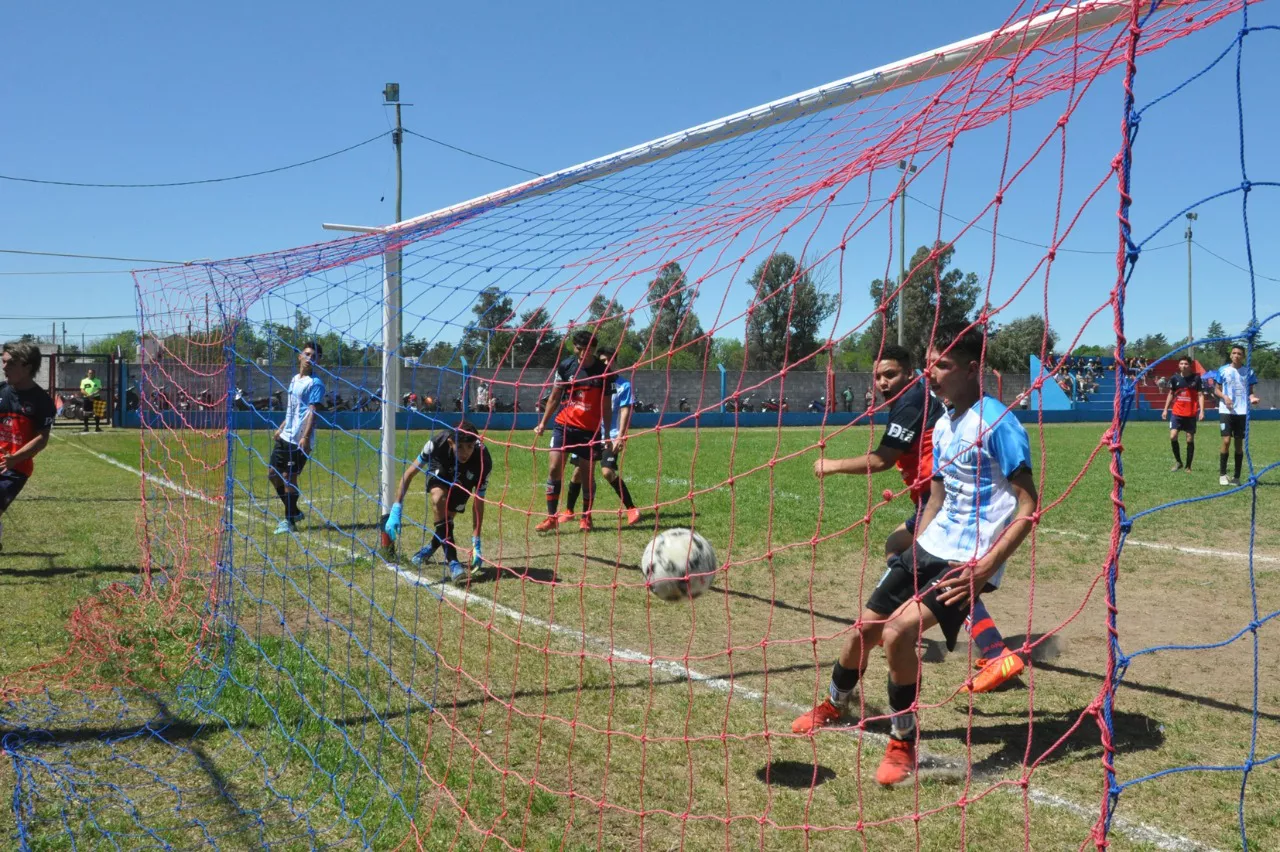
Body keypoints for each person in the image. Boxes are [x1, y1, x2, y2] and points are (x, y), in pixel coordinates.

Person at [794, 326, 1037, 788]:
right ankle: (835, 703)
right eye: (930, 363)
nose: (932, 372)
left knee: (898, 633)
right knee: (862, 630)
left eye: (942, 364)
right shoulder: (943, 422)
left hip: (970, 558)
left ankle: (903, 740)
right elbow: (938, 498)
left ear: (971, 369)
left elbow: (1029, 505)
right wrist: (916, 551)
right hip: (933, 543)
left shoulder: (998, 422)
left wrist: (986, 567)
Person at [810, 343, 1023, 698]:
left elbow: (881, 459)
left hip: (942, 502)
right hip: (935, 498)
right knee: (896, 546)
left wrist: (829, 465)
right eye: (877, 376)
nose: (882, 382)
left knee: (933, 575)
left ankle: (994, 649)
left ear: (910, 374)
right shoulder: (925, 402)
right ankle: (983, 641)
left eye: (890, 374)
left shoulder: (912, 401)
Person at [385, 420, 492, 583]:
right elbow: (409, 474)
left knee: (447, 518)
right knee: (438, 499)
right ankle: (454, 562)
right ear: (451, 442)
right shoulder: (436, 444)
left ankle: (430, 548)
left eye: (470, 447)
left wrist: (476, 540)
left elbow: (479, 501)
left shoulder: (483, 460)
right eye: (461, 446)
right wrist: (396, 508)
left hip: (466, 475)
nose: (465, 452)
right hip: (441, 466)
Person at [533, 330, 613, 532]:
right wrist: (543, 422)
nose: (581, 353)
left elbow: (606, 405)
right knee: (554, 468)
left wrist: (606, 435)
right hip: (563, 425)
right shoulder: (566, 366)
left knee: (586, 474)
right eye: (578, 349)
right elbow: (554, 396)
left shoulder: (603, 372)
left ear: (593, 350)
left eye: (586, 350)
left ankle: (586, 517)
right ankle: (551, 518)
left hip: (589, 429)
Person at [562, 348, 641, 526]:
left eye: (608, 360)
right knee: (578, 474)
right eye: (602, 361)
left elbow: (625, 410)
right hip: (588, 434)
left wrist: (621, 436)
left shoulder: (623, 385)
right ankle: (573, 512)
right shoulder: (592, 382)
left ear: (615, 362)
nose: (605, 364)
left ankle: (631, 509)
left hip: (610, 436)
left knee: (607, 472)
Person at [0, 342, 56, 552]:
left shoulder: (42, 401)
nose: (4, 368)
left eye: (10, 363)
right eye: (3, 362)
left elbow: (42, 439)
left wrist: (15, 458)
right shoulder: (1, 391)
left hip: (15, 469)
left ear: (27, 366)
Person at [267, 342, 325, 534]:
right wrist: (281, 427)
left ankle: (289, 521)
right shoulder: (294, 380)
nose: (310, 358)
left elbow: (312, 412)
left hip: (300, 440)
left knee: (288, 478)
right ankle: (294, 511)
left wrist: (306, 437)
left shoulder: (315, 383)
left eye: (314, 356)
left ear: (318, 361)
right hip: (285, 435)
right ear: (300, 356)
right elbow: (293, 408)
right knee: (273, 474)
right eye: (307, 354)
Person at [1213, 344, 1260, 486]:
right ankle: (1222, 474)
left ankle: (1236, 477)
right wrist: (1225, 397)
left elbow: (1250, 391)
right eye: (1234, 353)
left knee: (1239, 445)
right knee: (1226, 441)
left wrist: (1252, 398)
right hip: (1226, 410)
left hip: (1242, 412)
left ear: (1243, 356)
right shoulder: (1223, 370)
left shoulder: (1249, 371)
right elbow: (1216, 390)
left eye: (1239, 353)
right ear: (1230, 355)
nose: (1236, 355)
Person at [1161, 356, 1206, 473]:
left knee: (1189, 439)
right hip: (1177, 413)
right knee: (1173, 436)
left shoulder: (1196, 378)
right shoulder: (1174, 378)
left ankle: (1188, 466)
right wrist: (1165, 409)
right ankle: (1178, 462)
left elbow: (1200, 395)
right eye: (1181, 363)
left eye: (1186, 364)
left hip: (1191, 413)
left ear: (1190, 365)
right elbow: (1171, 394)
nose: (1183, 366)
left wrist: (1202, 410)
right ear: (1178, 365)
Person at [79, 368, 103, 432]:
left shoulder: (98, 381)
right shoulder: (84, 381)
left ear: (94, 374)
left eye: (92, 373)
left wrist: (93, 394)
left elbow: (99, 389)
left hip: (96, 397)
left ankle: (97, 427)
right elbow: (82, 390)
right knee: (86, 413)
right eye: (89, 373)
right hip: (87, 398)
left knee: (97, 413)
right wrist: (88, 395)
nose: (91, 374)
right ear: (87, 373)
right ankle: (86, 427)